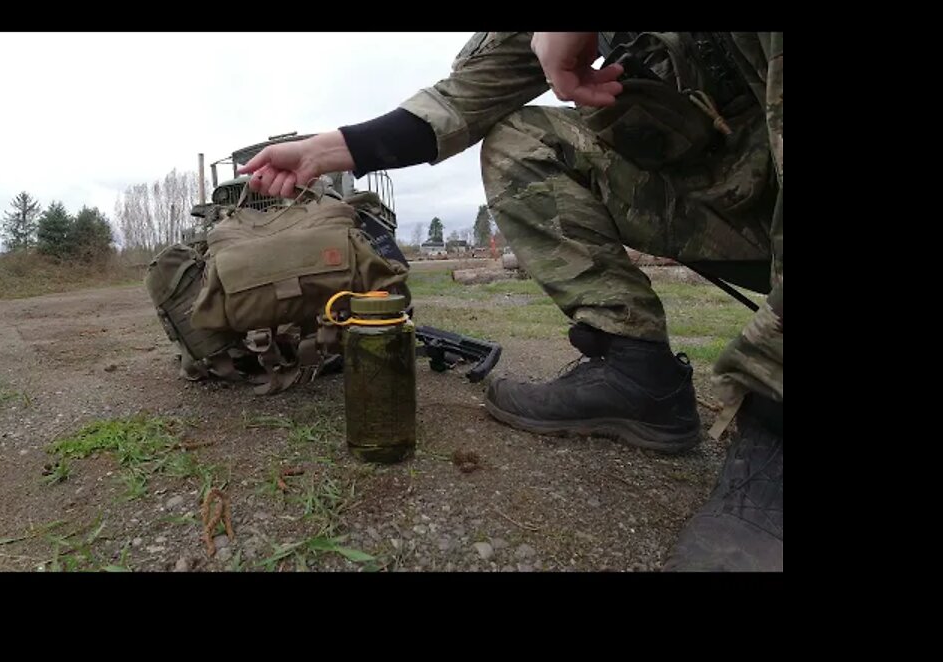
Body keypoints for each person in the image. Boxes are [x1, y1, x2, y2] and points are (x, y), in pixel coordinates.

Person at [238, 32, 783, 572]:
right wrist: (319, 152)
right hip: (726, 204)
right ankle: (637, 373)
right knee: (521, 140)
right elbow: (458, 103)